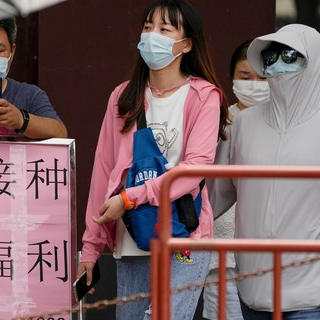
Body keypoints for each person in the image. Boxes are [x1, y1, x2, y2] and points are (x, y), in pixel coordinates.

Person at [78, 0, 228, 319]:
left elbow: (195, 168)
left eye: (164, 29)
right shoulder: (123, 96)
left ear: (186, 44)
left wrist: (130, 198)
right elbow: (103, 171)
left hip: (184, 234)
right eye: (147, 27)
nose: (151, 35)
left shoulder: (204, 96)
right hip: (133, 235)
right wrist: (90, 247)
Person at [209, 24, 320, 319]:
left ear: (314, 59)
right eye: (271, 56)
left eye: (290, 55)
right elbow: (214, 196)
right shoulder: (243, 124)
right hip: (252, 292)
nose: (278, 64)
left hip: (316, 296)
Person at [202, 38, 267, 320]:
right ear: (231, 79)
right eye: (245, 76)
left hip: (269, 254)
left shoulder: (283, 125)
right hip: (222, 254)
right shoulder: (219, 123)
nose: (254, 83)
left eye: (262, 77)